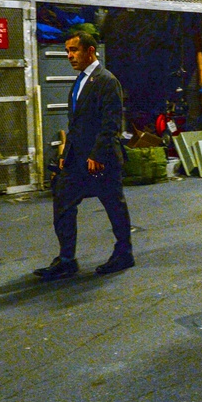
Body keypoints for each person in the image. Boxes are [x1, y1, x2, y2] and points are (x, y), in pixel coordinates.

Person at [35, 31, 134, 280]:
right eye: (67, 51)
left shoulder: (107, 81)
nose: (69, 56)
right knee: (63, 204)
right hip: (76, 160)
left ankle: (124, 253)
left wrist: (98, 155)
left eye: (74, 50)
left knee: (114, 205)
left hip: (101, 160)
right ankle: (67, 260)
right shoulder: (79, 82)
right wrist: (65, 154)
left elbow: (111, 123)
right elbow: (76, 124)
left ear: (90, 51)